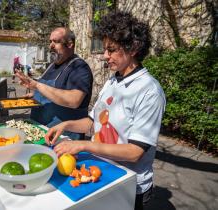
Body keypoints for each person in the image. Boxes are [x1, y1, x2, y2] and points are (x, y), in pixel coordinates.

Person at [45, 11, 166, 210]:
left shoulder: (149, 91)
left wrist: (83, 145)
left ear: (133, 48)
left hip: (129, 185)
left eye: (112, 50)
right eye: (104, 49)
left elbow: (135, 152)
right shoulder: (113, 79)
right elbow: (93, 122)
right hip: (100, 173)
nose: (105, 56)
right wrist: (65, 125)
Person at [16, 27, 93, 140]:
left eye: (56, 42)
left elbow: (74, 100)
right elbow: (53, 92)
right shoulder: (52, 66)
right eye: (50, 41)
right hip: (40, 132)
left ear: (70, 44)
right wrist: (35, 95)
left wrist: (37, 85)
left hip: (63, 138)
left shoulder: (79, 68)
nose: (51, 45)